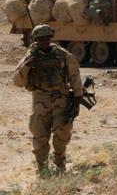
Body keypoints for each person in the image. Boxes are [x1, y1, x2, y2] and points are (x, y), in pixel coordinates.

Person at [13, 24, 83, 177]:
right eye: (40, 39)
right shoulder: (30, 57)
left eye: (46, 38)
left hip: (61, 98)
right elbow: (17, 82)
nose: (44, 41)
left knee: (62, 131)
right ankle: (42, 169)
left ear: (51, 38)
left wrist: (77, 96)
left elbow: (74, 74)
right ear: (35, 39)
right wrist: (27, 66)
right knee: (40, 136)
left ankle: (60, 163)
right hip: (40, 100)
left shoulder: (61, 54)